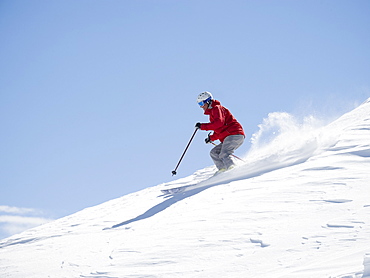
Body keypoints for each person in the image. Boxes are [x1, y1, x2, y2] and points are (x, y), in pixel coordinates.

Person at [195, 91, 245, 174]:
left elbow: (219, 123)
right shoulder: (212, 113)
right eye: (199, 104)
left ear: (207, 101)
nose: (201, 107)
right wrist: (211, 138)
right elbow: (219, 130)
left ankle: (233, 169)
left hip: (234, 134)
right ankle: (223, 170)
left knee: (224, 153)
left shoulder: (217, 108)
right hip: (228, 136)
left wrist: (202, 126)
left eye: (201, 104)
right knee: (214, 153)